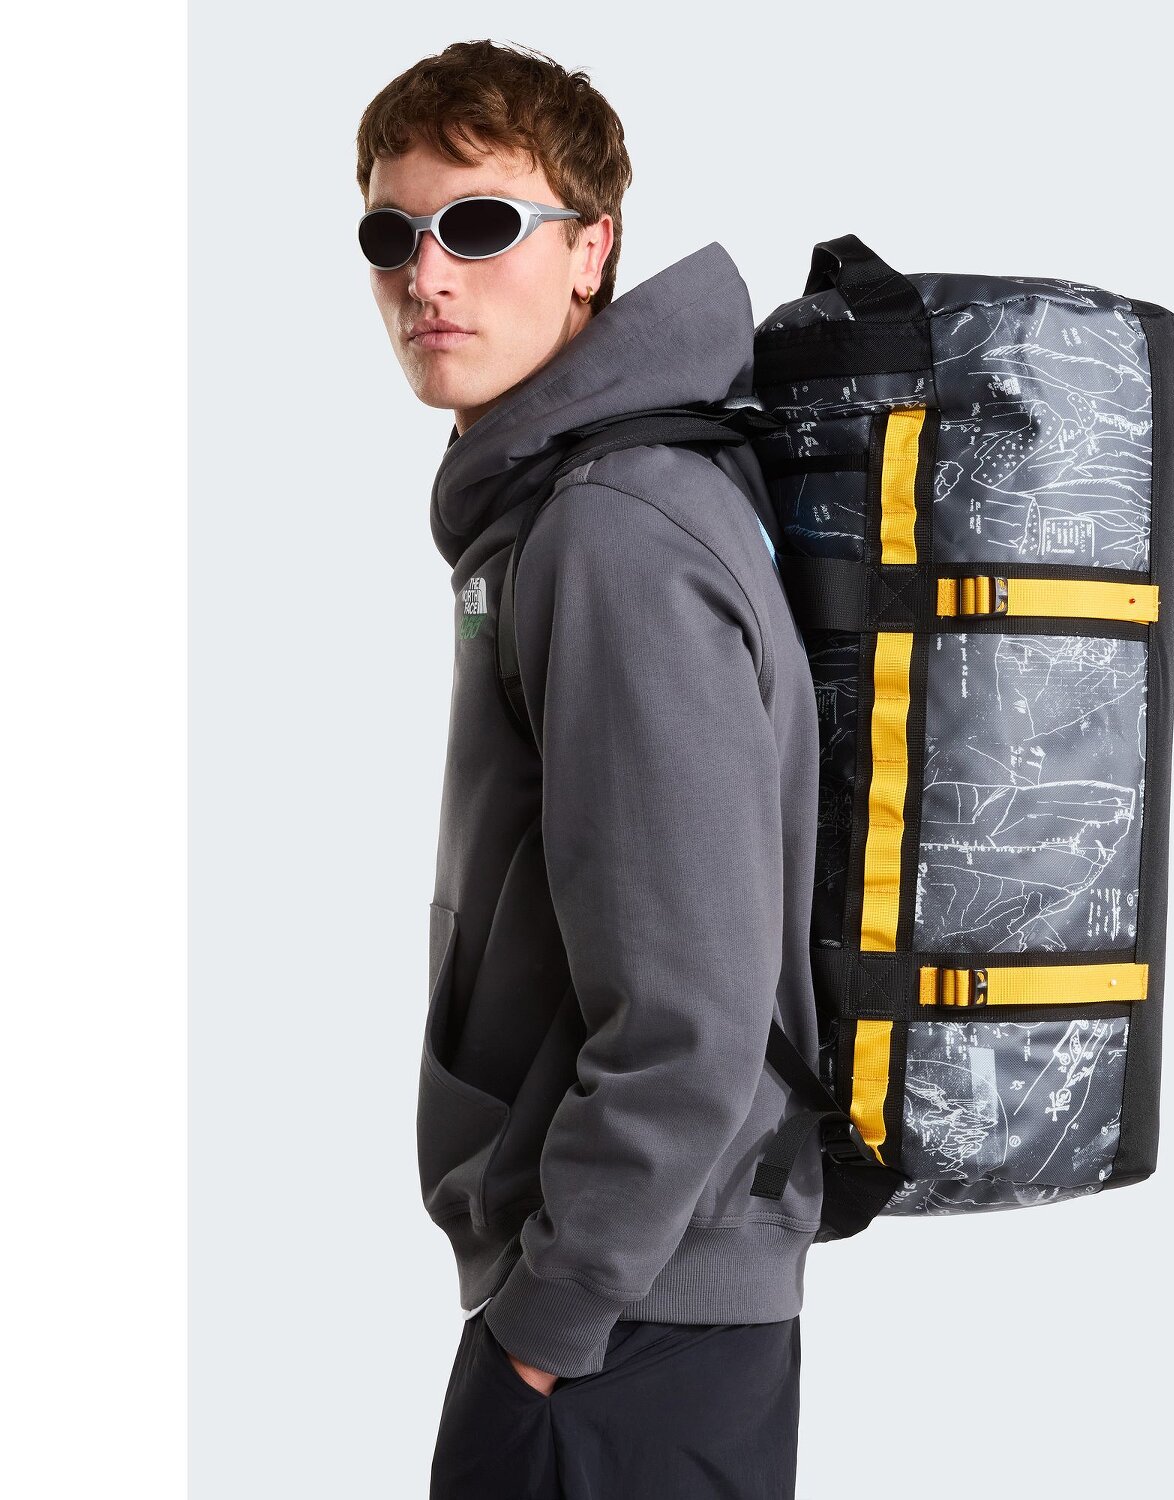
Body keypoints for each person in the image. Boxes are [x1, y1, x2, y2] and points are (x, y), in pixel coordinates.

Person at [354, 40, 825, 1499]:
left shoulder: (613, 528)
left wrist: (548, 1325)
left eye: (481, 224)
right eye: (391, 236)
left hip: (624, 1326)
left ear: (591, 250)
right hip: (641, 1307)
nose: (428, 276)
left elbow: (692, 1007)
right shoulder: (587, 500)